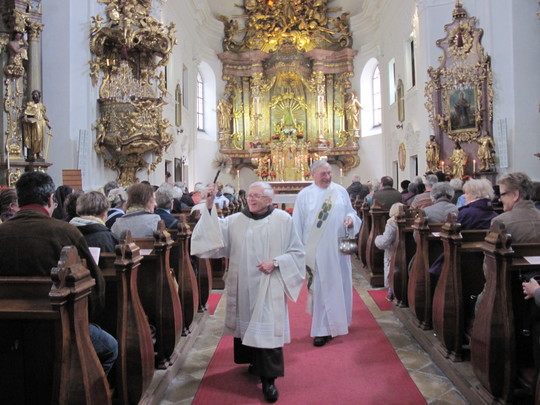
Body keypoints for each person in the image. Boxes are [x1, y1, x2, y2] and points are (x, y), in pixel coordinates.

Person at [191, 182, 305, 403]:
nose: (251, 199)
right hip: (243, 283)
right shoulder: (236, 220)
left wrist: (276, 262)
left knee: (268, 330)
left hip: (269, 284)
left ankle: (269, 380)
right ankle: (253, 362)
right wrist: (209, 205)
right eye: (250, 195)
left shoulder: (283, 220)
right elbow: (213, 237)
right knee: (248, 324)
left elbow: (297, 252)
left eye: (257, 196)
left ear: (269, 200)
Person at [0, 171, 117, 375]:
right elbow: (96, 286)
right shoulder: (64, 232)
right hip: (58, 327)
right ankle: (89, 388)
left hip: (6, 330)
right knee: (110, 348)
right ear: (51, 199)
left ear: (19, 200)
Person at [292, 160, 361, 347]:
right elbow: (297, 223)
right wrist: (298, 250)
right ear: (313, 174)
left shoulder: (340, 191)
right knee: (321, 288)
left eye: (329, 173)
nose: (328, 177)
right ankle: (322, 329)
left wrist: (350, 219)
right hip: (316, 250)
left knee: (339, 285)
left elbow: (351, 212)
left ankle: (339, 323)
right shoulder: (305, 195)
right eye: (323, 174)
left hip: (338, 250)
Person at [490, 172, 540, 242]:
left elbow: (491, 248)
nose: (499, 199)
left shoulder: (499, 222)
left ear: (515, 195)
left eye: (502, 195)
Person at [375, 202, 404, 301]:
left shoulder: (392, 222)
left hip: (394, 252)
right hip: (406, 252)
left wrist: (377, 239)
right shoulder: (410, 220)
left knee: (391, 269)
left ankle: (391, 290)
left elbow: (384, 241)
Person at [22, 90, 52, 161]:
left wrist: (48, 125)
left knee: (41, 139)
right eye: (34, 95)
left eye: (37, 94)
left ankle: (39, 153)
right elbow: (26, 112)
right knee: (36, 138)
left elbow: (43, 115)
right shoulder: (30, 104)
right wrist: (25, 117)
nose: (35, 96)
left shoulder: (41, 105)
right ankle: (33, 153)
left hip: (42, 123)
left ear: (39, 96)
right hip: (35, 123)